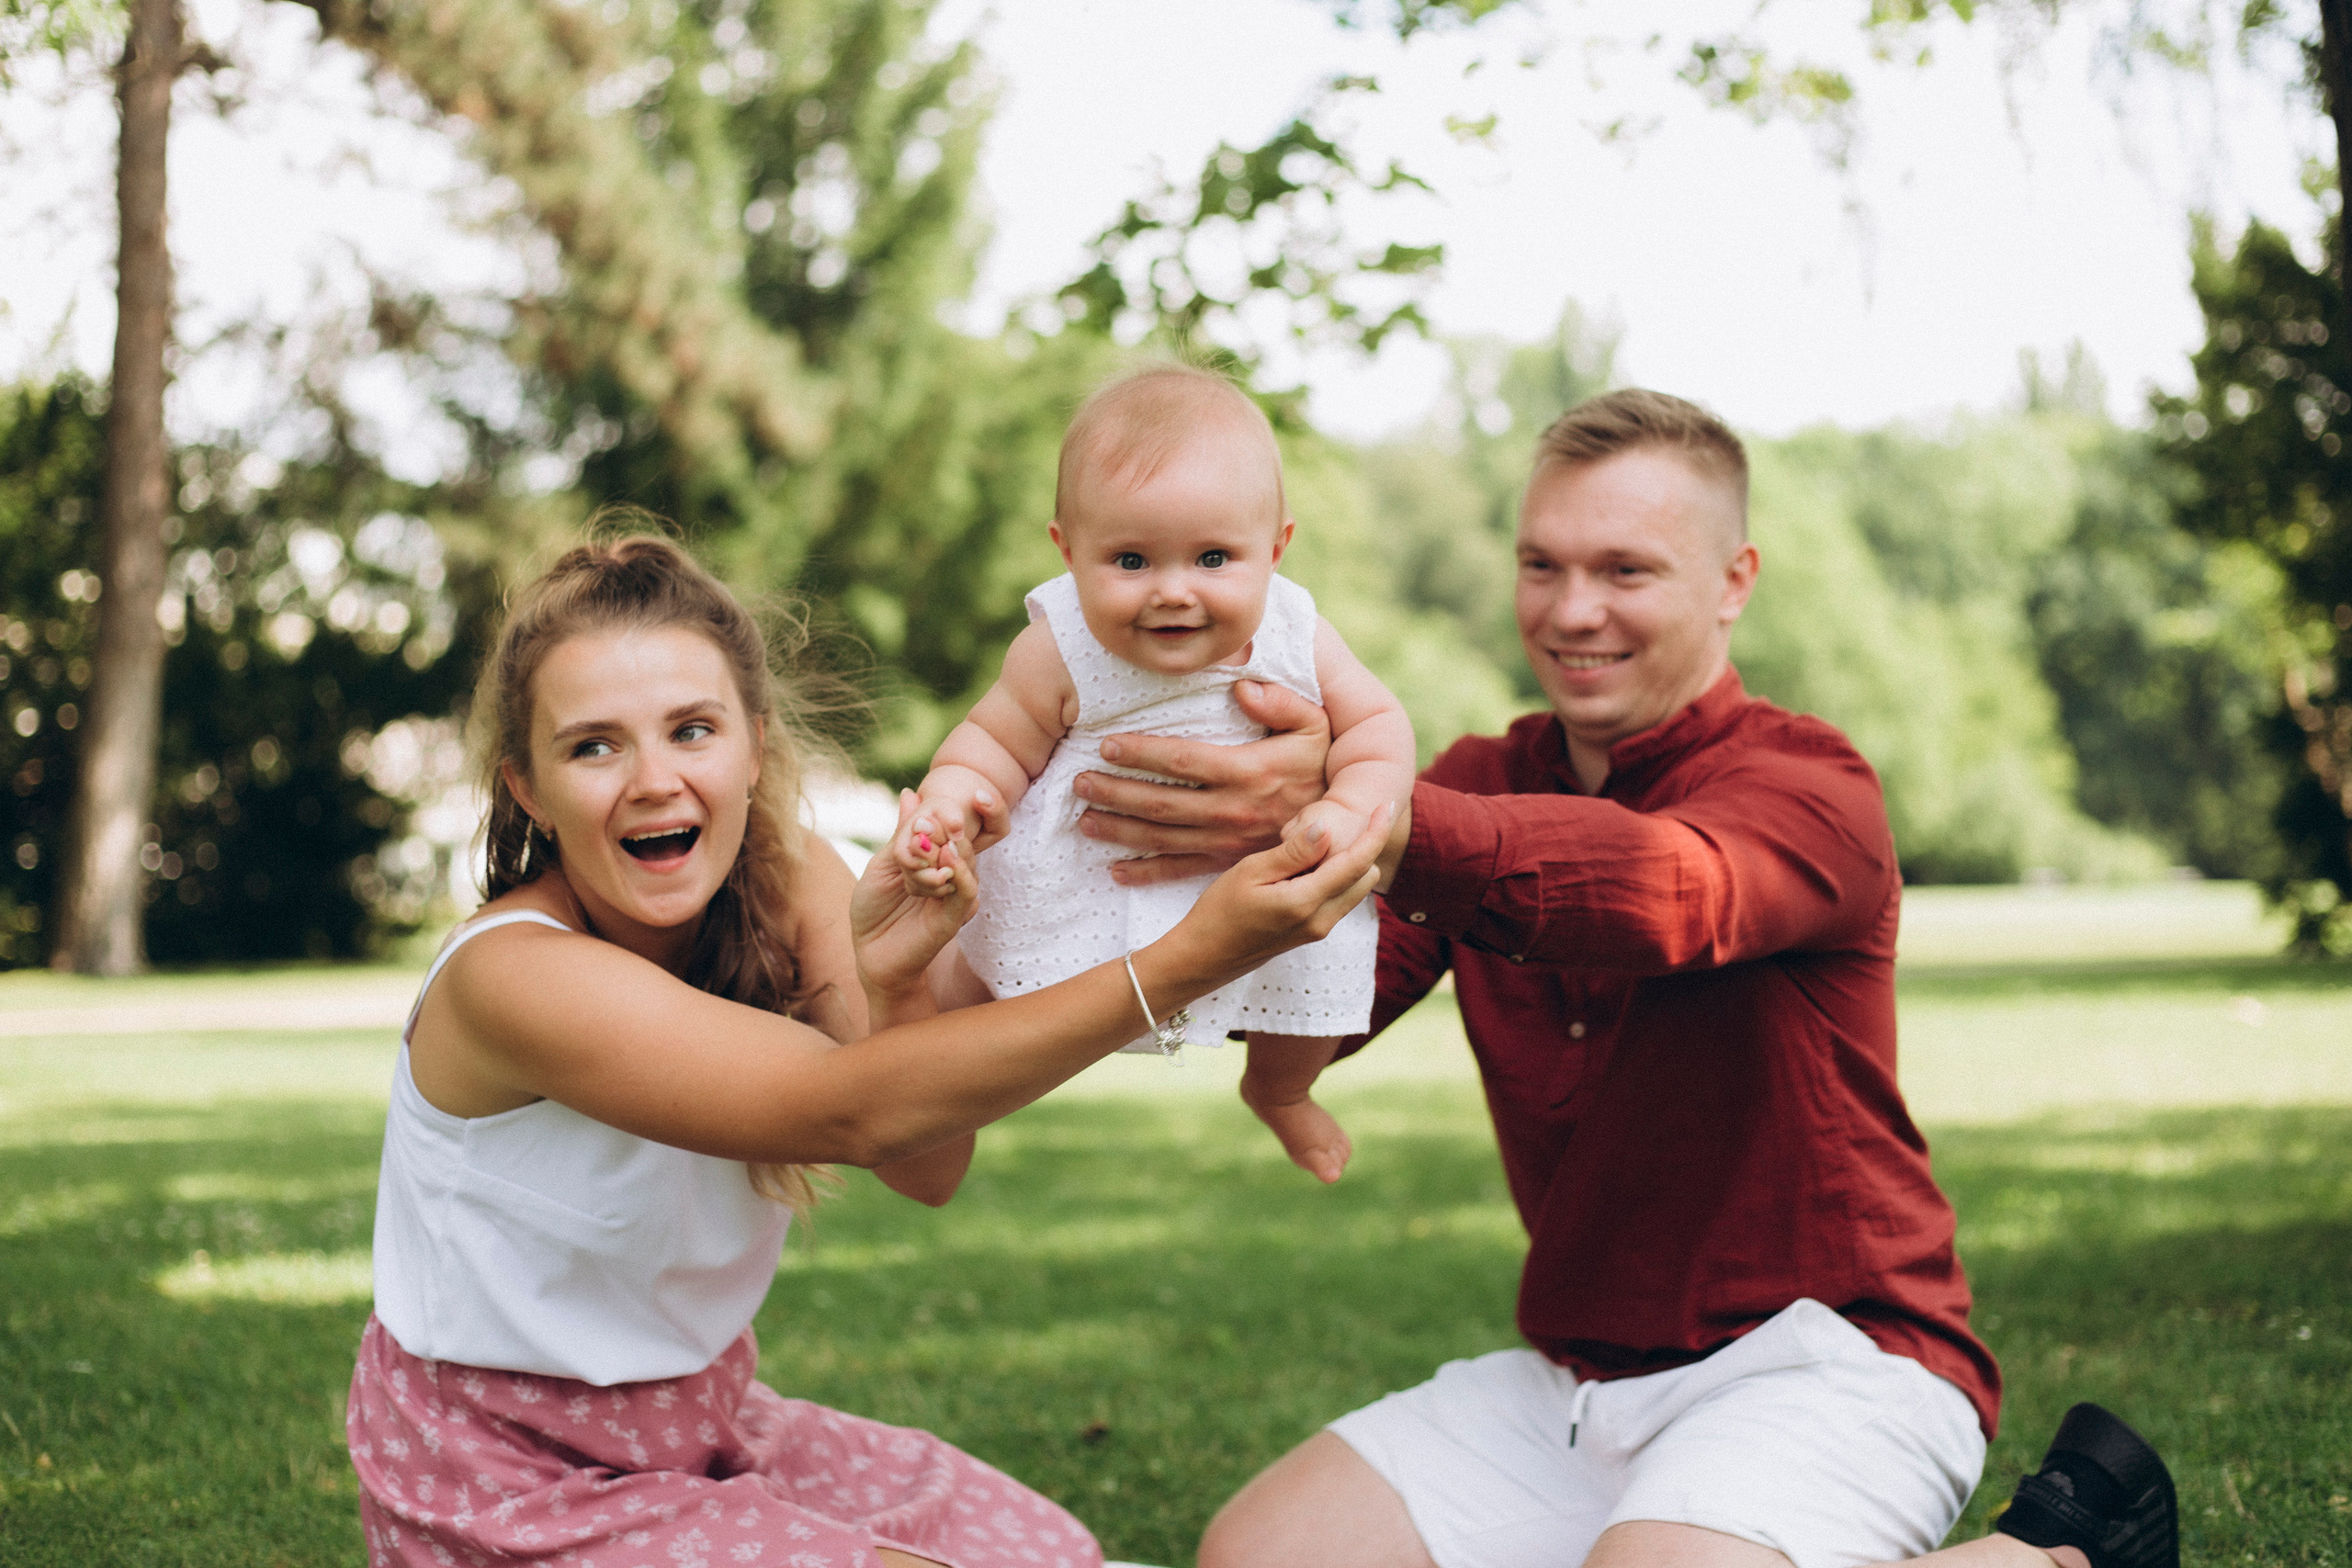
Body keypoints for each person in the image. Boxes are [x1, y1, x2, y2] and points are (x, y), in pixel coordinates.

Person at [1061, 390, 2181, 1568]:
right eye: (1540, 565)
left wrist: (1376, 819)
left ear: (1732, 580)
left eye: (1624, 571)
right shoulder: (1475, 776)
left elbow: (1670, 894)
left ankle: (2056, 1556)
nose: (1571, 610)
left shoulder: (1813, 785)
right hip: (1582, 1382)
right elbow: (1326, 1002)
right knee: (1259, 1557)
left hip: (1835, 1358)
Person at [345, 534, 1389, 1568]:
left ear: (753, 747)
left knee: (1053, 1552)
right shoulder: (511, 977)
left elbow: (927, 1164)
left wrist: (892, 988)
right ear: (526, 787)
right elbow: (853, 1111)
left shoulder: (791, 876)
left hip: (701, 1431)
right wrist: (1188, 959)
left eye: (691, 730)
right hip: (504, 1485)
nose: (653, 780)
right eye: (594, 746)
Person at [888, 364, 1416, 1184]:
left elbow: (1378, 725)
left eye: (1213, 557)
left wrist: (1353, 802)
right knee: (979, 984)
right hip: (1080, 868)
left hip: (1255, 876)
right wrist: (956, 798)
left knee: (1313, 988)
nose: (1174, 592)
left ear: (1275, 548)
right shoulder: (1059, 643)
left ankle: (1281, 1090)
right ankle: (922, 1080)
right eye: (1131, 560)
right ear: (1067, 551)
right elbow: (993, 738)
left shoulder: (1295, 631)